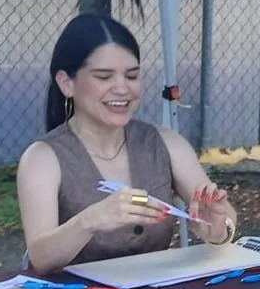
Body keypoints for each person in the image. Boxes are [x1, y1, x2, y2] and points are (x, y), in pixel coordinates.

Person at [16, 15, 237, 275]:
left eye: (132, 76)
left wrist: (219, 230)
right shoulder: (42, 158)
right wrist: (89, 221)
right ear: (67, 83)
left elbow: (224, 220)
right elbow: (40, 257)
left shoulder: (167, 144)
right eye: (104, 77)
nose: (122, 88)